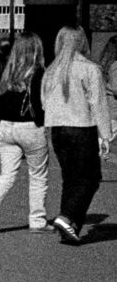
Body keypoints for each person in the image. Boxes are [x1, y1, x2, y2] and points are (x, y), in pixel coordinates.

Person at [0, 32, 51, 235]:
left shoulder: (9, 71)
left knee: (7, 174)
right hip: (30, 127)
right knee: (38, 175)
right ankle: (37, 221)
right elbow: (42, 102)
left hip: (6, 128)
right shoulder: (39, 73)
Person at [42, 26, 113, 245]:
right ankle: (67, 217)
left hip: (57, 129)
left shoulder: (51, 70)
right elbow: (98, 103)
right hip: (81, 128)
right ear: (83, 42)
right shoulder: (90, 69)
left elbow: (44, 101)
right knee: (90, 179)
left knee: (70, 177)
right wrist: (105, 135)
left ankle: (71, 224)